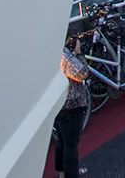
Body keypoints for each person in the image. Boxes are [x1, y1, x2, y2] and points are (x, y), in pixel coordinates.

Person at [53, 35, 90, 177]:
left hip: (59, 105)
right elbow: (82, 73)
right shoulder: (64, 56)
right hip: (72, 106)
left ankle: (62, 173)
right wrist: (79, 53)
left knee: (62, 142)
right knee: (71, 145)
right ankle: (71, 174)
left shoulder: (49, 53)